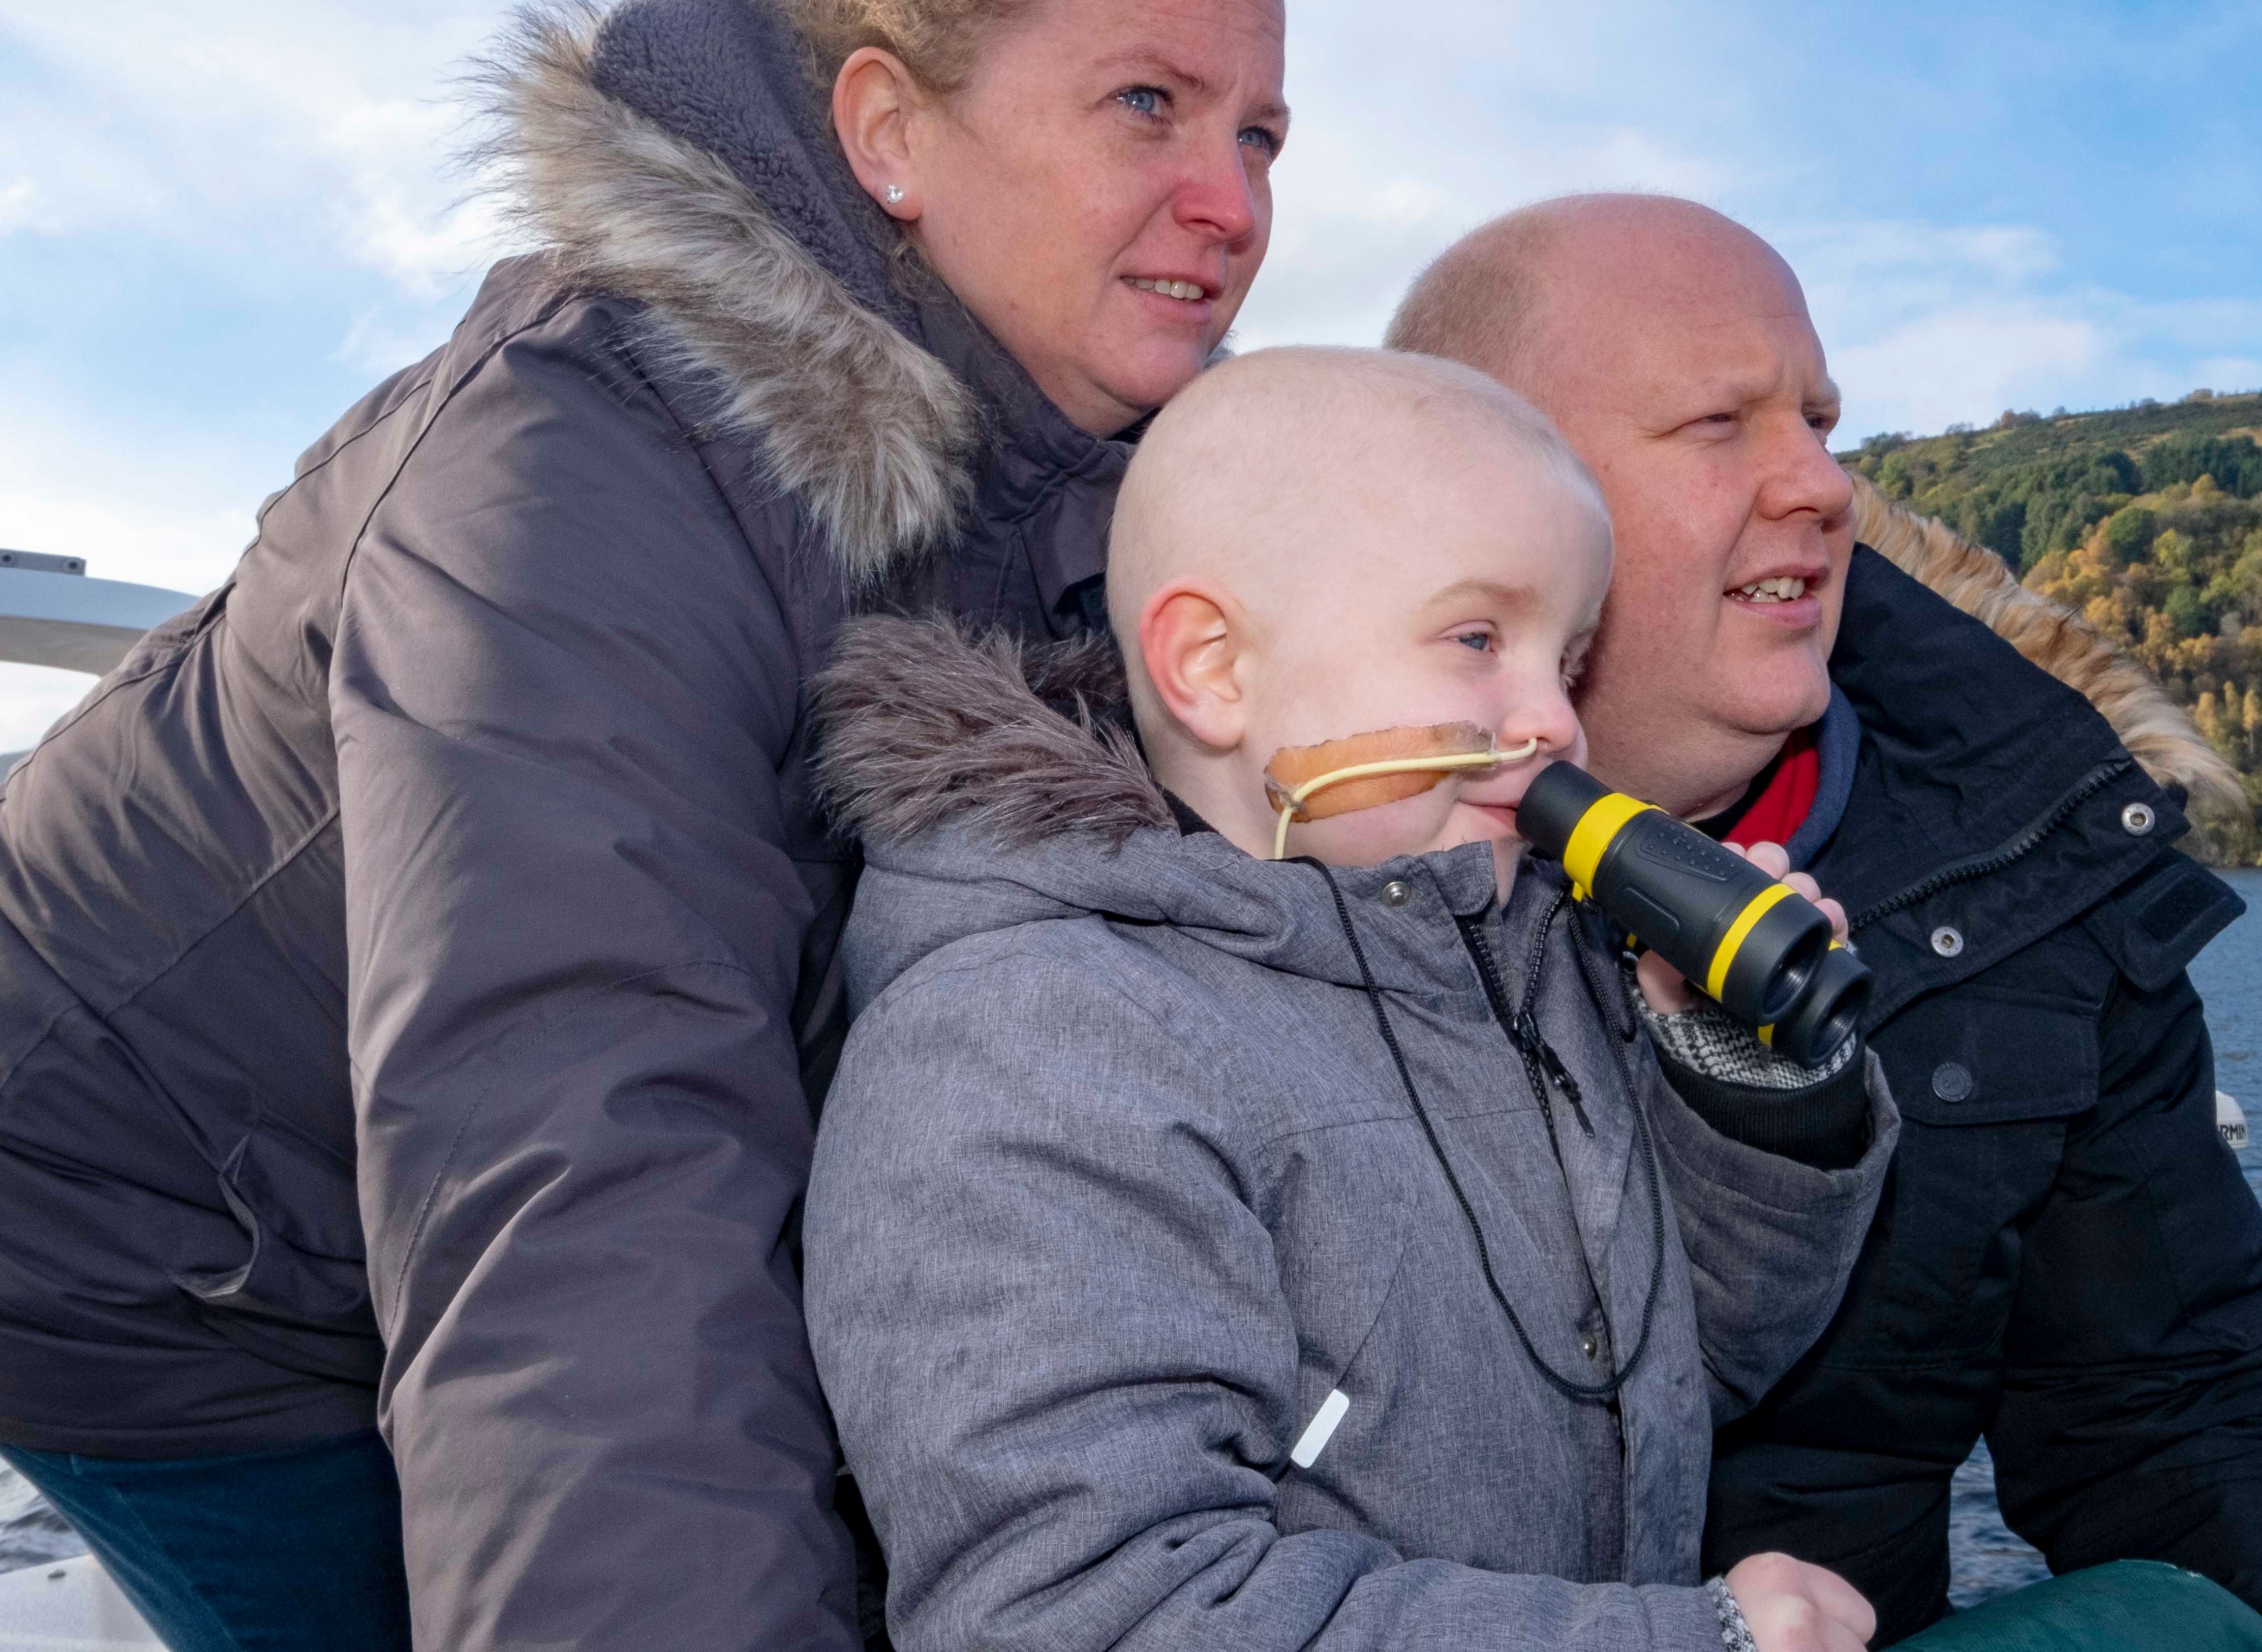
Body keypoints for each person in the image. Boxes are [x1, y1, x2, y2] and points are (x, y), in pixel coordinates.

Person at [0, 0, 1290, 1652]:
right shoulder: (580, 460)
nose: (1232, 200)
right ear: (887, 132)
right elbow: (575, 1146)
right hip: (160, 1244)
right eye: (1148, 105)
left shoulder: (1091, 470)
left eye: (1262, 130)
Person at [1389, 196, 2262, 1652]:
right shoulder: (1244, 864)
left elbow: (2183, 1417)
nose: (1823, 485)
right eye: (1720, 425)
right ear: (1490, 499)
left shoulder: (2030, 870)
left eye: (1820, 422)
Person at [801, 346, 1900, 1652]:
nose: (1552, 718)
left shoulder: (1523, 969)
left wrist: (1738, 1079)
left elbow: (1680, 1373)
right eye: (1479, 639)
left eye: (1573, 656)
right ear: (1213, 668)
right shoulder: (1031, 1043)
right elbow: (1094, 1610)